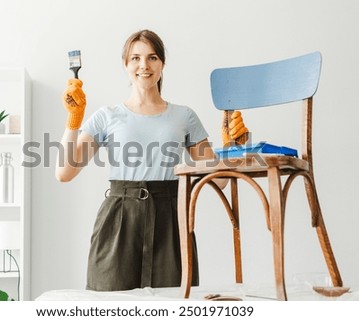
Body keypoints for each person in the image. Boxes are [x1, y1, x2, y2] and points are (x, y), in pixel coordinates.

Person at [56, 29, 248, 291]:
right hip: (118, 221)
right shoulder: (106, 116)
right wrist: (73, 120)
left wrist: (234, 147)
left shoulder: (184, 116)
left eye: (152, 57)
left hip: (170, 219)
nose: (143, 65)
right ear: (125, 64)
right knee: (110, 304)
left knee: (172, 302)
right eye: (135, 58)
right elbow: (64, 172)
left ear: (162, 64)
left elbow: (220, 181)